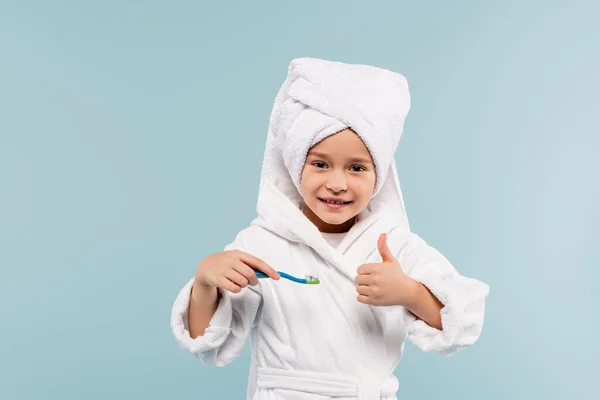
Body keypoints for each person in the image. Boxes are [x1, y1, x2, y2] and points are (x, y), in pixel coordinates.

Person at [170, 57, 490, 400]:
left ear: (378, 175)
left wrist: (411, 294)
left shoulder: (395, 246)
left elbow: (461, 324)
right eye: (320, 164)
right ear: (296, 165)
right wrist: (205, 282)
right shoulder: (261, 243)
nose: (337, 184)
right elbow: (207, 343)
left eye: (356, 168)